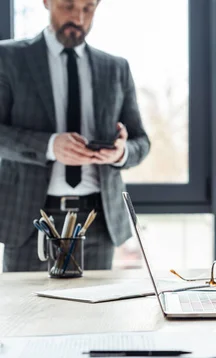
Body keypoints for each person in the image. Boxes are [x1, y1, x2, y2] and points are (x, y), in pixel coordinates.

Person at [0, 0, 150, 271]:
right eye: (67, 5)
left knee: (94, 312)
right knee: (28, 312)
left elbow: (141, 141)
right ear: (46, 2)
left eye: (88, 8)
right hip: (29, 221)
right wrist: (49, 145)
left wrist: (121, 153)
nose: (78, 18)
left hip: (97, 222)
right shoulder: (8, 58)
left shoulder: (116, 68)